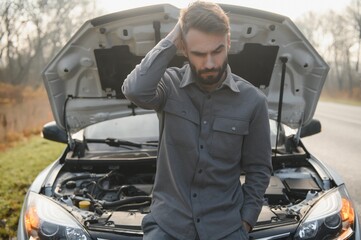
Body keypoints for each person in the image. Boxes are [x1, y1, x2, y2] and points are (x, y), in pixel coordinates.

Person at [122, 1, 272, 239]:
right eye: (199, 54)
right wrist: (174, 35)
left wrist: (246, 221)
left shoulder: (253, 101)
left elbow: (259, 169)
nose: (210, 63)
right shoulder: (169, 86)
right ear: (183, 48)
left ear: (229, 42)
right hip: (168, 226)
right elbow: (135, 90)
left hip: (226, 228)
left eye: (217, 51)